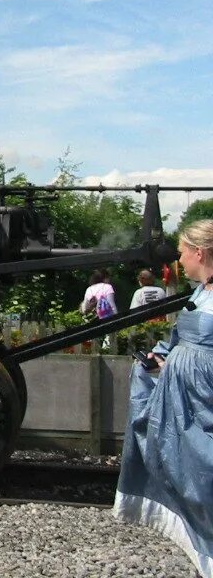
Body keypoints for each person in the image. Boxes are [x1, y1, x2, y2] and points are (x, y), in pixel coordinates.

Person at [113, 219, 213, 576]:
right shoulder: (201, 290)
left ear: (199, 252)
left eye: (183, 252)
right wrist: (163, 363)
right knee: (185, 471)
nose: (179, 260)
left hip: (204, 400)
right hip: (185, 394)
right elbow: (184, 342)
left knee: (205, 471)